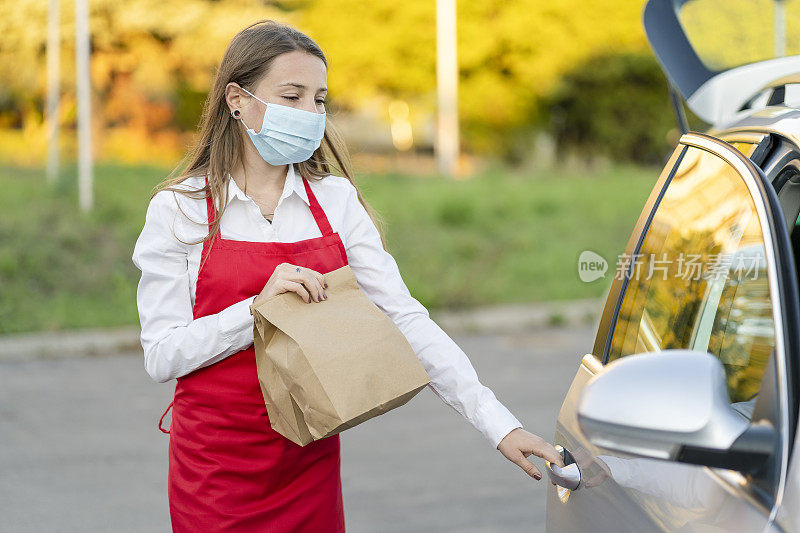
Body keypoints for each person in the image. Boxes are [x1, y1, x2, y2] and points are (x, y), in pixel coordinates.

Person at [131, 19, 562, 532]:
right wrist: (256, 312)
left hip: (307, 459)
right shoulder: (180, 209)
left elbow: (404, 318)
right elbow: (162, 356)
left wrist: (500, 426)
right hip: (216, 471)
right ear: (236, 99)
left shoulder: (334, 202)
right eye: (291, 96)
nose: (310, 113)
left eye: (319, 100)